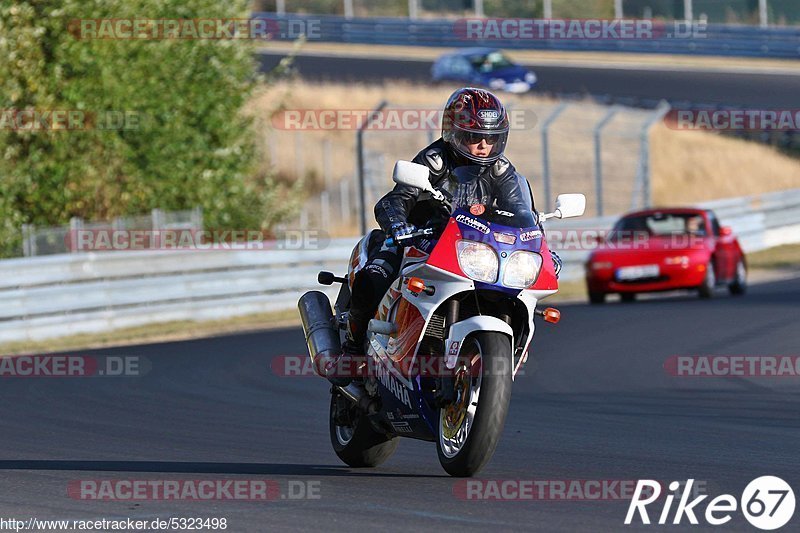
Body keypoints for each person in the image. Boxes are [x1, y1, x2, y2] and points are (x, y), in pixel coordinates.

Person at [326, 87, 559, 386]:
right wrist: (398, 224)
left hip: (471, 250)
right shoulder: (435, 160)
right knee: (374, 276)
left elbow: (524, 216)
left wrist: (542, 249)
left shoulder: (503, 172)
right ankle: (353, 350)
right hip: (417, 240)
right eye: (475, 137)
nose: (484, 146)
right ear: (453, 132)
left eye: (492, 138)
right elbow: (395, 199)